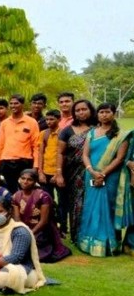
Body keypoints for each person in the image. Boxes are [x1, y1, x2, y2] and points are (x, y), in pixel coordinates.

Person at [78, 103, 131, 257]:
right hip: (91, 173)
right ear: (98, 114)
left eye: (107, 112)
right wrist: (91, 171)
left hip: (110, 176)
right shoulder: (92, 133)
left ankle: (109, 244)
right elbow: (85, 155)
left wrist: (103, 174)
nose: (104, 115)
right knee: (91, 206)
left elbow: (120, 159)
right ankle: (89, 243)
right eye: (101, 112)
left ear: (113, 114)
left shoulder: (121, 135)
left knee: (108, 207)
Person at [56, 99, 96, 241]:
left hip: (94, 171)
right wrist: (59, 173)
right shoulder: (67, 131)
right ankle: (77, 235)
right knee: (76, 203)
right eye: (77, 110)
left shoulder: (98, 128)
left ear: (91, 110)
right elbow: (60, 153)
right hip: (72, 173)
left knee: (93, 201)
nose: (81, 112)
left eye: (84, 109)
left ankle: (92, 234)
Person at [12, 169, 71, 262]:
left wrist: (30, 233)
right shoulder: (16, 196)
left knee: (37, 251)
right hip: (24, 228)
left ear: (35, 182)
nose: (25, 182)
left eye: (29, 179)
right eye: (23, 178)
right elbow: (17, 219)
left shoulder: (43, 196)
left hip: (41, 230)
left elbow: (44, 221)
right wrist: (23, 232)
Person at [0, 94, 40, 193]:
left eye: (16, 103)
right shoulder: (5, 123)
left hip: (24, 162)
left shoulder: (31, 122)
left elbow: (36, 146)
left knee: (25, 191)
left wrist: (36, 166)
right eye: (11, 103)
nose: (13, 106)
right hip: (6, 162)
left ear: (22, 105)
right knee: (8, 191)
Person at [37, 109, 61, 200]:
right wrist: (40, 172)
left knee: (62, 200)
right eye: (47, 119)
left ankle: (61, 215)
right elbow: (40, 153)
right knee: (47, 199)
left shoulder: (63, 133)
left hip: (58, 172)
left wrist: (57, 174)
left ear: (59, 119)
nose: (48, 122)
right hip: (45, 172)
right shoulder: (43, 133)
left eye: (51, 119)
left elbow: (64, 155)